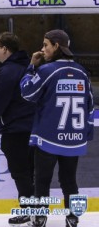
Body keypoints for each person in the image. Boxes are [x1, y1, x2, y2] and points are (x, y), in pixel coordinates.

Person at [20, 30, 94, 227]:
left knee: (42, 180)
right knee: (69, 180)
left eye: (46, 45)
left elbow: (27, 92)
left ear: (56, 46)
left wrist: (31, 67)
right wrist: (85, 133)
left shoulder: (47, 70)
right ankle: (73, 217)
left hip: (48, 137)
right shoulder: (82, 72)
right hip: (73, 139)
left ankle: (40, 217)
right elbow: (90, 106)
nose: (42, 49)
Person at [0, 31, 35, 227]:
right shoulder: (23, 66)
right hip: (30, 126)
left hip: (16, 129)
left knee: (21, 173)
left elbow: (0, 102)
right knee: (28, 172)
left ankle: (29, 212)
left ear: (5, 49)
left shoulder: (9, 71)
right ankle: (35, 211)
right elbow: (12, 94)